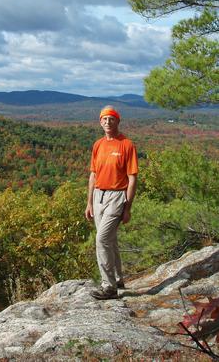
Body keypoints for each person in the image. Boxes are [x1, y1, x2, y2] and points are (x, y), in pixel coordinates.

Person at [85, 105, 138, 300]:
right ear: (100, 122)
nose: (108, 122)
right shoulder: (98, 145)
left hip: (117, 196)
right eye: (104, 119)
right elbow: (93, 175)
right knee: (110, 240)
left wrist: (128, 207)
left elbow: (132, 179)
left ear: (118, 121)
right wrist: (89, 202)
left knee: (102, 239)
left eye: (111, 119)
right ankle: (118, 278)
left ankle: (109, 287)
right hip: (99, 195)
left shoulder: (127, 145)